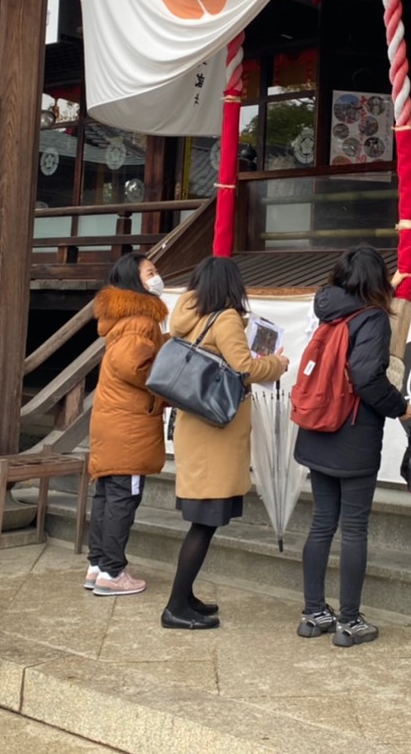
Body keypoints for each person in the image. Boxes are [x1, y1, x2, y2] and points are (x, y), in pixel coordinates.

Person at [292, 246, 411, 647]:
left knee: (323, 521)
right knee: (354, 526)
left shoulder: (328, 308)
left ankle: (314, 613)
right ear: (375, 282)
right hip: (352, 431)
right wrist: (402, 408)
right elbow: (366, 377)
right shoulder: (373, 317)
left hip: (317, 424)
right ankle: (349, 621)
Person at [163, 256, 287, 629]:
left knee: (204, 517)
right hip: (214, 433)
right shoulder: (225, 317)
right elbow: (244, 368)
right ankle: (175, 607)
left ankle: (185, 597)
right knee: (204, 522)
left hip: (194, 427)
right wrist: (278, 364)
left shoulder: (186, 314)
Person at [84, 252, 169, 598]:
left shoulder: (121, 320)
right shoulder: (141, 320)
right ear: (136, 282)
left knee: (107, 495)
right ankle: (113, 571)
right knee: (123, 497)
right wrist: (167, 380)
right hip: (129, 424)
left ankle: (98, 565)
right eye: (150, 272)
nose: (157, 276)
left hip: (111, 419)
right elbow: (133, 366)